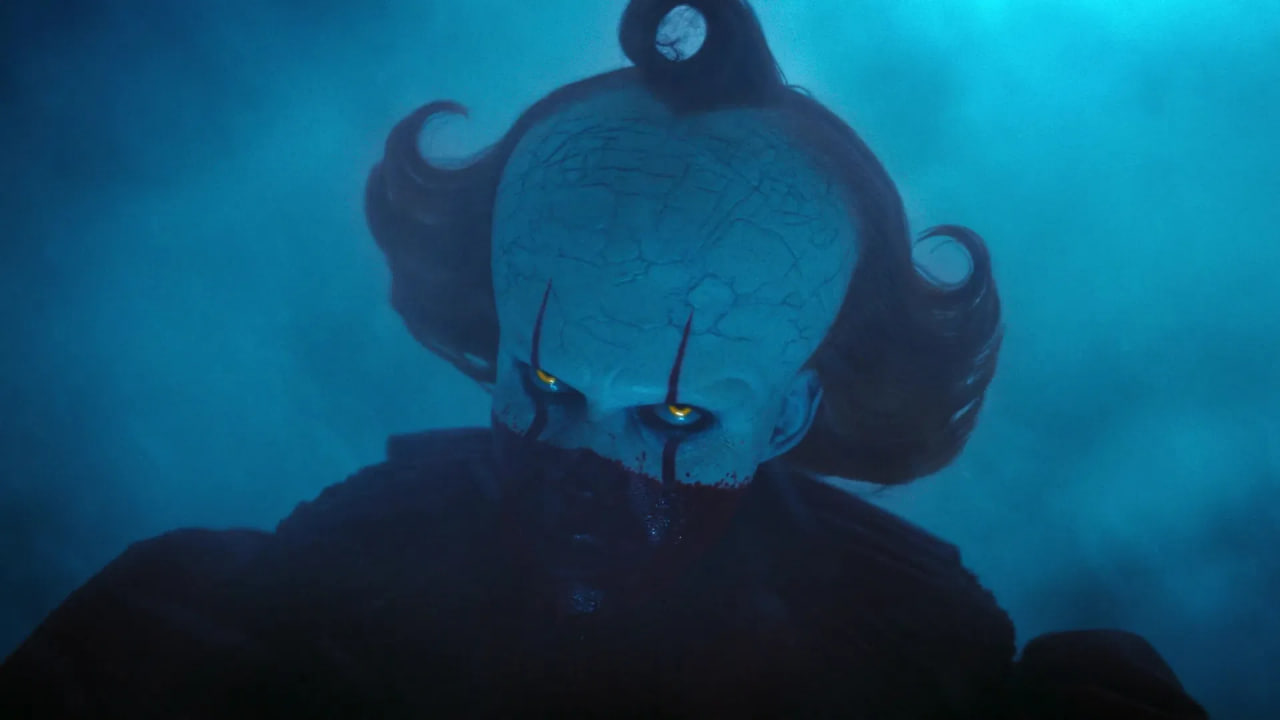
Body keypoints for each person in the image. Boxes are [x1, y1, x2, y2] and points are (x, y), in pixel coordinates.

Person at [0, 1, 1208, 717]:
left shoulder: (936, 671)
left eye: (673, 419)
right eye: (545, 388)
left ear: (787, 414)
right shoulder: (225, 620)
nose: (584, 470)